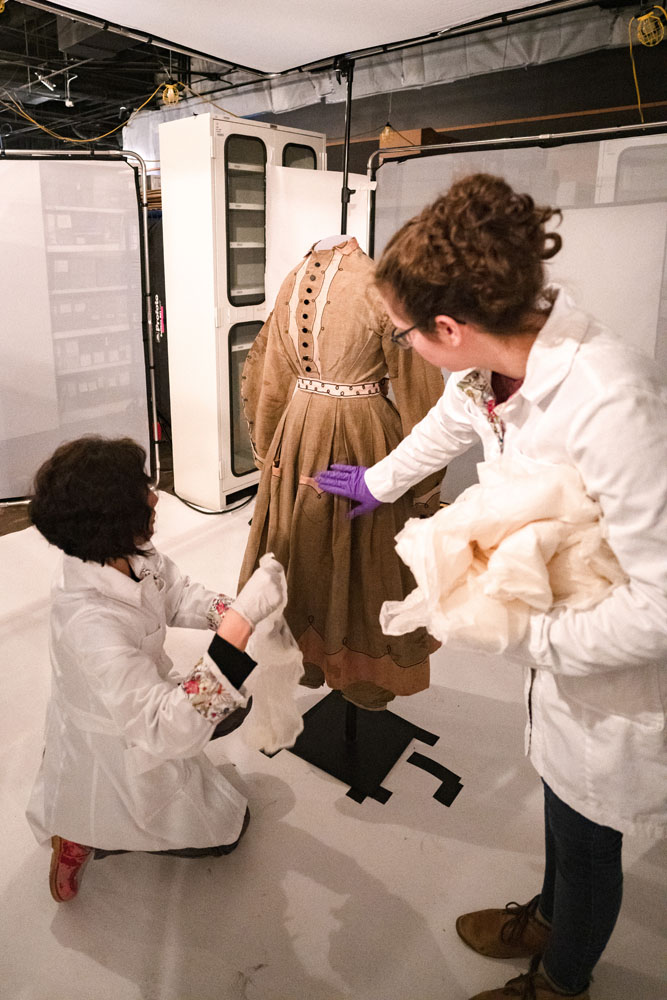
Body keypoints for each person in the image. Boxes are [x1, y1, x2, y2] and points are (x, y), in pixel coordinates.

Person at [317, 174, 667, 999]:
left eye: (403, 336)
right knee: (559, 796)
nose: (405, 348)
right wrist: (378, 481)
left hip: (605, 657)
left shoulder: (607, 398)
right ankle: (546, 917)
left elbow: (661, 603)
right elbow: (450, 424)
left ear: (447, 326)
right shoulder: (490, 369)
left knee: (588, 832)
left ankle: (562, 978)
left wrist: (524, 638)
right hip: (558, 645)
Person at [26, 435, 284, 902]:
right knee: (230, 832)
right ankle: (81, 835)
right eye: (143, 491)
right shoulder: (90, 623)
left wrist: (228, 610)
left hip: (137, 701)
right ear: (113, 520)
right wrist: (239, 628)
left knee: (234, 704)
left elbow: (177, 592)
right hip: (120, 736)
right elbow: (163, 729)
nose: (156, 496)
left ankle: (87, 824)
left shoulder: (122, 552)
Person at [238, 235, 444, 711]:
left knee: (301, 550)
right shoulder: (382, 287)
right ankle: (363, 676)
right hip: (361, 432)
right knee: (364, 556)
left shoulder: (292, 279)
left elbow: (269, 379)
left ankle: (312, 661)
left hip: (299, 426)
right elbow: (419, 390)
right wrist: (424, 488)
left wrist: (272, 456)